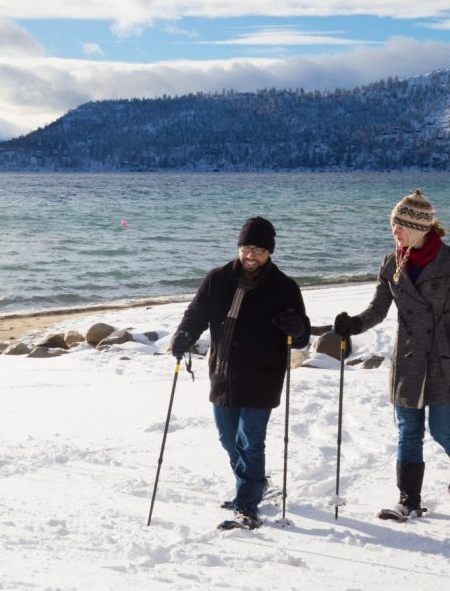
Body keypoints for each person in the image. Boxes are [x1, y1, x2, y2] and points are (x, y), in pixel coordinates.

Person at [170, 217, 310, 530]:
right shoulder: (217, 279)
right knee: (227, 438)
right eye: (247, 248)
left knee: (250, 442)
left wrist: (298, 328)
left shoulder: (285, 287)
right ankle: (255, 483)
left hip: (263, 376)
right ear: (239, 247)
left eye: (259, 250)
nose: (251, 255)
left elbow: (302, 337)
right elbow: (196, 315)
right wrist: (183, 335)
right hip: (223, 372)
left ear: (270, 252)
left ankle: (246, 505)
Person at [334, 189, 450, 521]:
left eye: (399, 226)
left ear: (419, 227)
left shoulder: (449, 261)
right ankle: (408, 501)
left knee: (444, 430)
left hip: (444, 360)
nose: (394, 232)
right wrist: (353, 324)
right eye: (393, 226)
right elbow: (377, 310)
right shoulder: (392, 262)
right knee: (408, 430)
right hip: (409, 360)